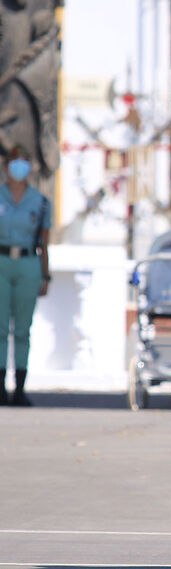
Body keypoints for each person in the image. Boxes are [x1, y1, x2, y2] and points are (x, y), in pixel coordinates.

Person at [0, 147, 51, 407]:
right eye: (14, 162)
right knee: (0, 327)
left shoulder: (40, 202)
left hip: (29, 263)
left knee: (22, 329)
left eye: (23, 162)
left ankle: (19, 388)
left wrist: (46, 275)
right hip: (2, 261)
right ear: (6, 167)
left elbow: (44, 242)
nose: (18, 168)